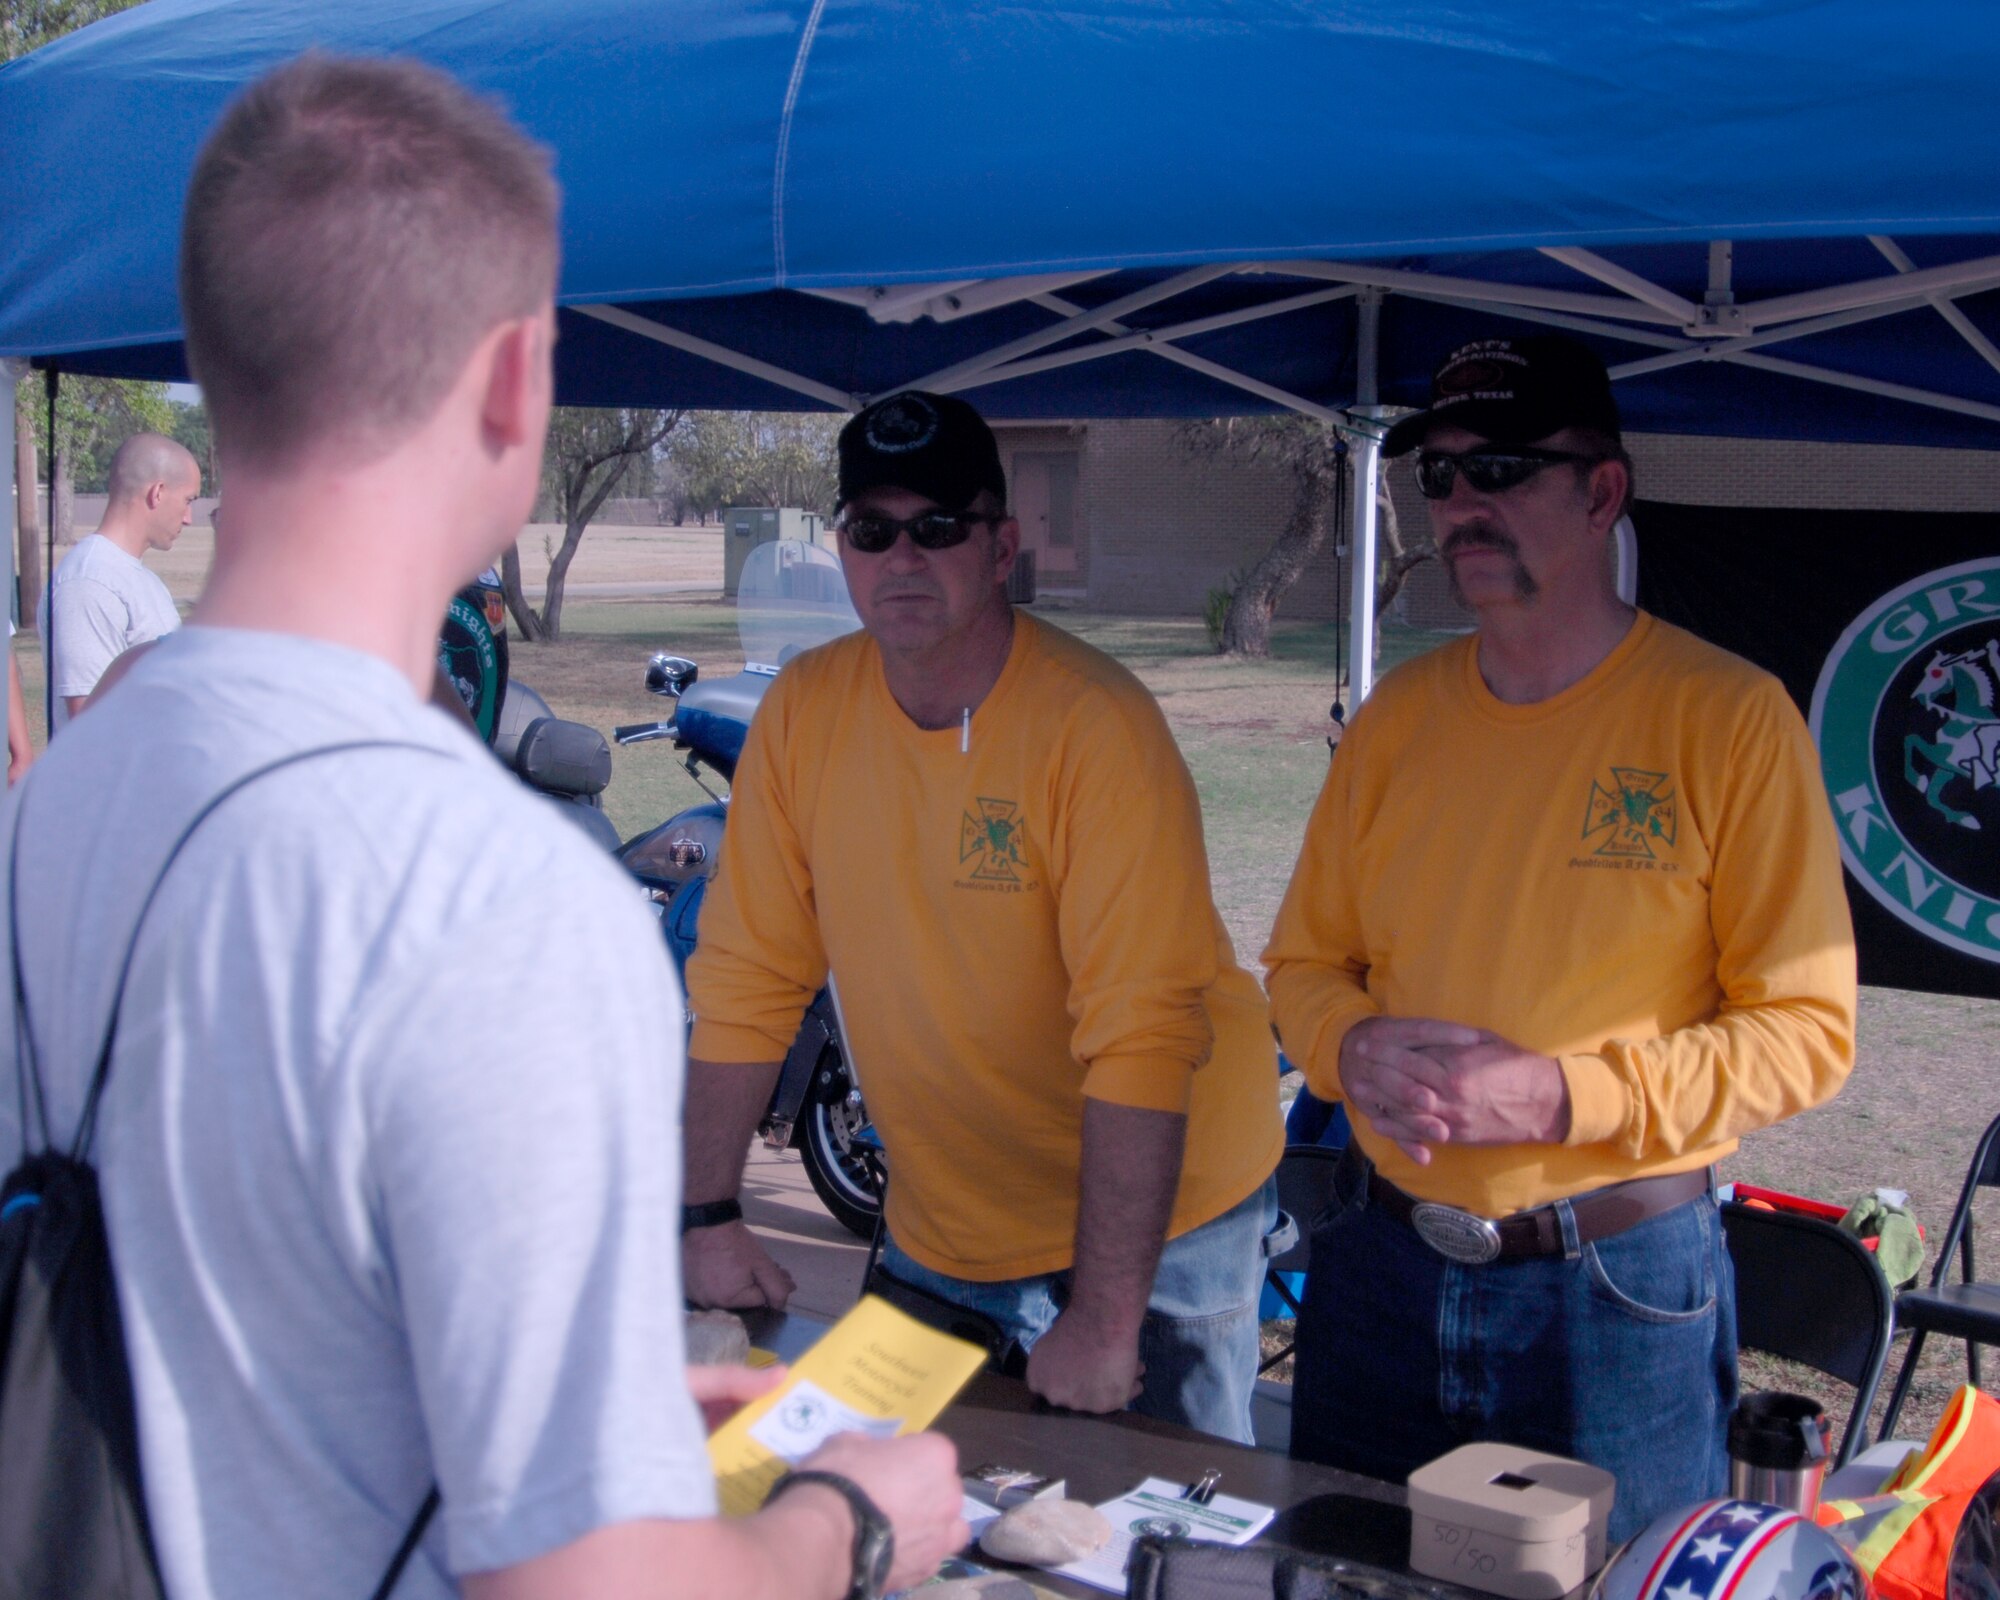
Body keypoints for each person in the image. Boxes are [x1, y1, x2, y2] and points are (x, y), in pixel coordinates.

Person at [0, 55, 962, 1600]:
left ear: (218, 366)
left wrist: (618, 1445)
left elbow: (251, 1338)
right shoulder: (496, 900)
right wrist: (844, 1526)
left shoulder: (54, 804)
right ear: (517, 382)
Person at [1263, 333, 1858, 1541]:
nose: (1463, 503)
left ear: (1601, 492)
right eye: (1440, 474)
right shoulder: (1393, 722)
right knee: (1342, 1572)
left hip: (1615, 1287)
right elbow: (1299, 967)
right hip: (1379, 1263)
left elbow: (1806, 1032)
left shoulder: (1727, 719)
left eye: (1506, 469)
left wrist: (1557, 1097)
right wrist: (1347, 1047)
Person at [680, 390, 1285, 1443]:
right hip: (946, 1216)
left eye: (938, 527)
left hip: (1168, 1219)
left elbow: (1142, 1037)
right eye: (872, 531)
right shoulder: (803, 714)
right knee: (875, 1503)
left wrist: (1103, 1318)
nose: (902, 556)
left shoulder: (1095, 728)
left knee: (1163, 1540)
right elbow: (745, 976)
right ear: (842, 548)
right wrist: (707, 1214)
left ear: (1000, 546)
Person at [37, 430, 196, 728]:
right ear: (158, 492)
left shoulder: (135, 577)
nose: (188, 517)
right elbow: (90, 719)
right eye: (188, 500)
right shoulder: (89, 581)